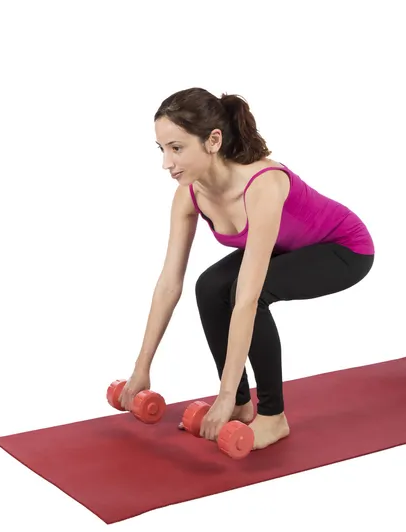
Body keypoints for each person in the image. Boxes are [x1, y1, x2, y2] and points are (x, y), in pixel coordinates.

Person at [118, 87, 375, 451]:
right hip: (286, 249)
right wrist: (141, 367)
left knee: (247, 292)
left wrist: (218, 394)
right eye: (162, 149)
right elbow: (168, 284)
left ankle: (273, 417)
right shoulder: (190, 193)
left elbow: (249, 296)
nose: (167, 163)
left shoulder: (262, 184)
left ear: (213, 140)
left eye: (177, 148)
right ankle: (240, 404)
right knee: (209, 287)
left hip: (344, 249)